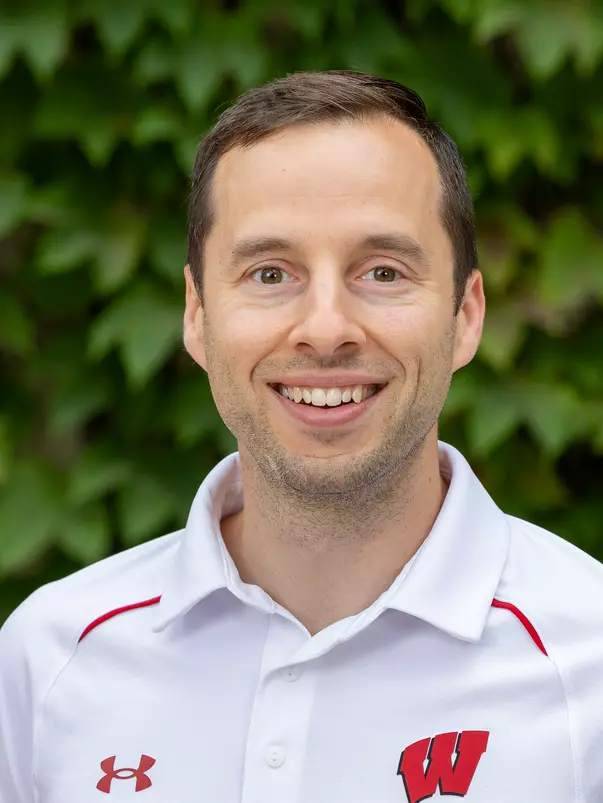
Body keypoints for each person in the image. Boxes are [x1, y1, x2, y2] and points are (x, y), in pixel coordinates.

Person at [1, 70, 602, 803]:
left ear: (466, 315)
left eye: (382, 271)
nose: (324, 328)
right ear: (196, 314)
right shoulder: (50, 658)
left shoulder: (589, 660)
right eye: (269, 272)